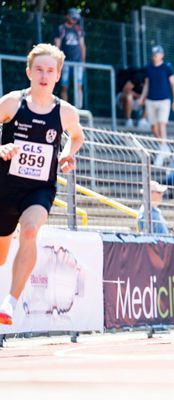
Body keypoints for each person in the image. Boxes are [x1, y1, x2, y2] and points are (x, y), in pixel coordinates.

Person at [0, 43, 84, 325]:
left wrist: (67, 153)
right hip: (4, 187)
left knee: (30, 230)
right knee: (0, 256)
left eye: (51, 70)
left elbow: (77, 136)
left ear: (58, 75)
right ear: (28, 72)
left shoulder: (66, 113)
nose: (44, 75)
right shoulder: (12, 102)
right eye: (39, 69)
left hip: (39, 189)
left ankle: (10, 303)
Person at [139, 45, 174, 167]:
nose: (155, 56)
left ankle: (161, 152)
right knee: (153, 127)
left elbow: (173, 84)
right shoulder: (149, 68)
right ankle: (164, 146)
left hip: (164, 100)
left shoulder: (167, 67)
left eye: (157, 54)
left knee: (162, 125)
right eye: (153, 54)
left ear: (162, 55)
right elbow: (146, 85)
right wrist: (142, 98)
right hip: (151, 100)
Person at [53, 8, 86, 108]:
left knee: (79, 86)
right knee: (64, 87)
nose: (74, 20)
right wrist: (57, 62)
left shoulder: (79, 30)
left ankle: (79, 110)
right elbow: (57, 46)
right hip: (65, 63)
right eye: (73, 17)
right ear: (67, 16)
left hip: (78, 63)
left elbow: (82, 46)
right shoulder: (61, 29)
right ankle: (64, 109)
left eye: (76, 18)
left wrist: (83, 62)